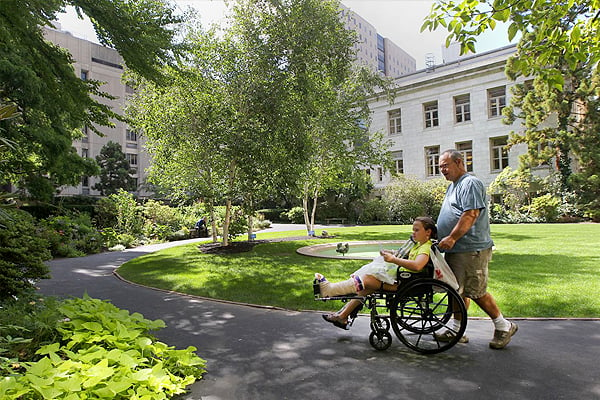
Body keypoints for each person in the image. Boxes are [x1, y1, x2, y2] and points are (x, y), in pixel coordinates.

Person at [436, 149, 517, 349]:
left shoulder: (470, 183)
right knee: (458, 291)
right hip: (457, 249)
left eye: (445, 166)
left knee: (476, 291)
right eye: (440, 168)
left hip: (470, 248)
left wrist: (452, 237)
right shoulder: (454, 186)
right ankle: (457, 330)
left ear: (459, 162)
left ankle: (503, 326)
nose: (443, 171)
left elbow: (470, 214)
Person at [316, 216, 437, 330]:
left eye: (416, 230)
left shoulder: (425, 248)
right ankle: (342, 316)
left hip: (404, 283)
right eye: (413, 230)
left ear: (428, 232)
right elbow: (406, 258)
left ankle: (331, 290)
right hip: (403, 280)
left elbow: (417, 265)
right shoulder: (419, 246)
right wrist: (390, 253)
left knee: (367, 279)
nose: (413, 233)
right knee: (365, 287)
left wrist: (393, 260)